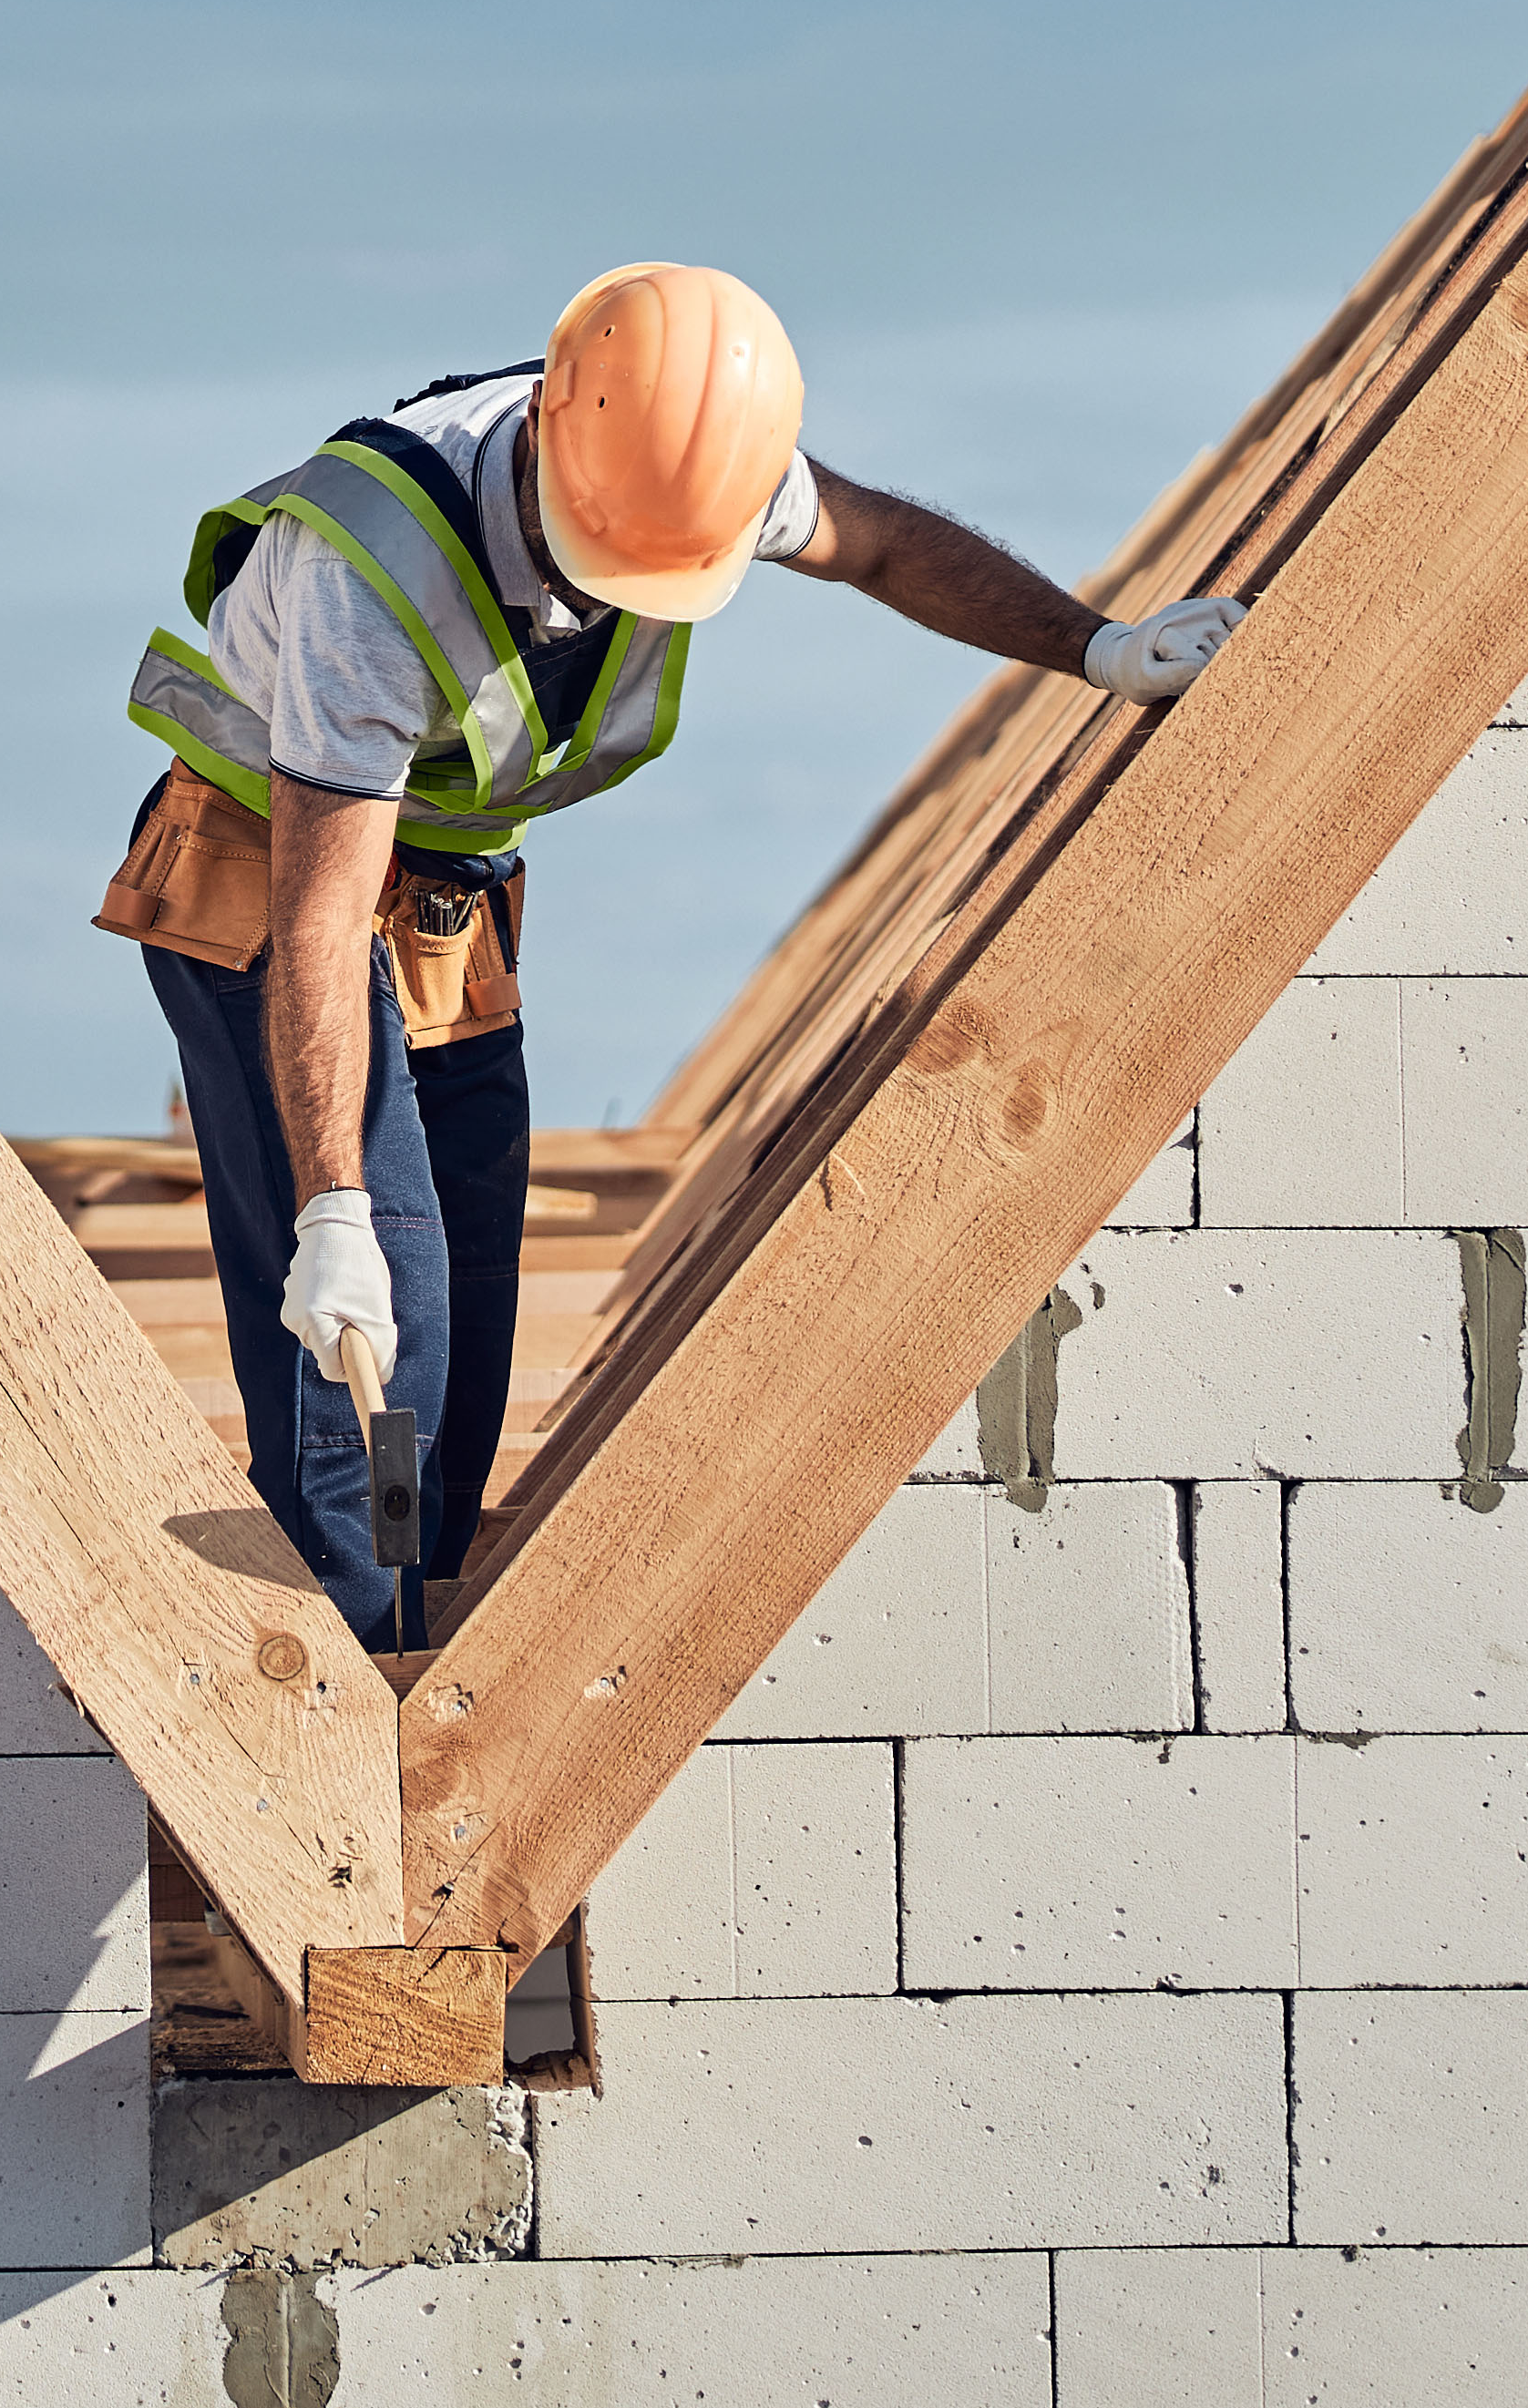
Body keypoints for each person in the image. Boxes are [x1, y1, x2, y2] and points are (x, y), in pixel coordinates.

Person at [97, 261, 1243, 1647]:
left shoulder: (688, 461)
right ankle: (345, 1667)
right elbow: (324, 917)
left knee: (469, 1273)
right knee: (377, 1289)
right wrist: (328, 1203)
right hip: (268, 879)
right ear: (552, 455)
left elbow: (881, 545)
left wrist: (1099, 647)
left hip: (445, 894)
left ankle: (430, 1624)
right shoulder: (371, 565)